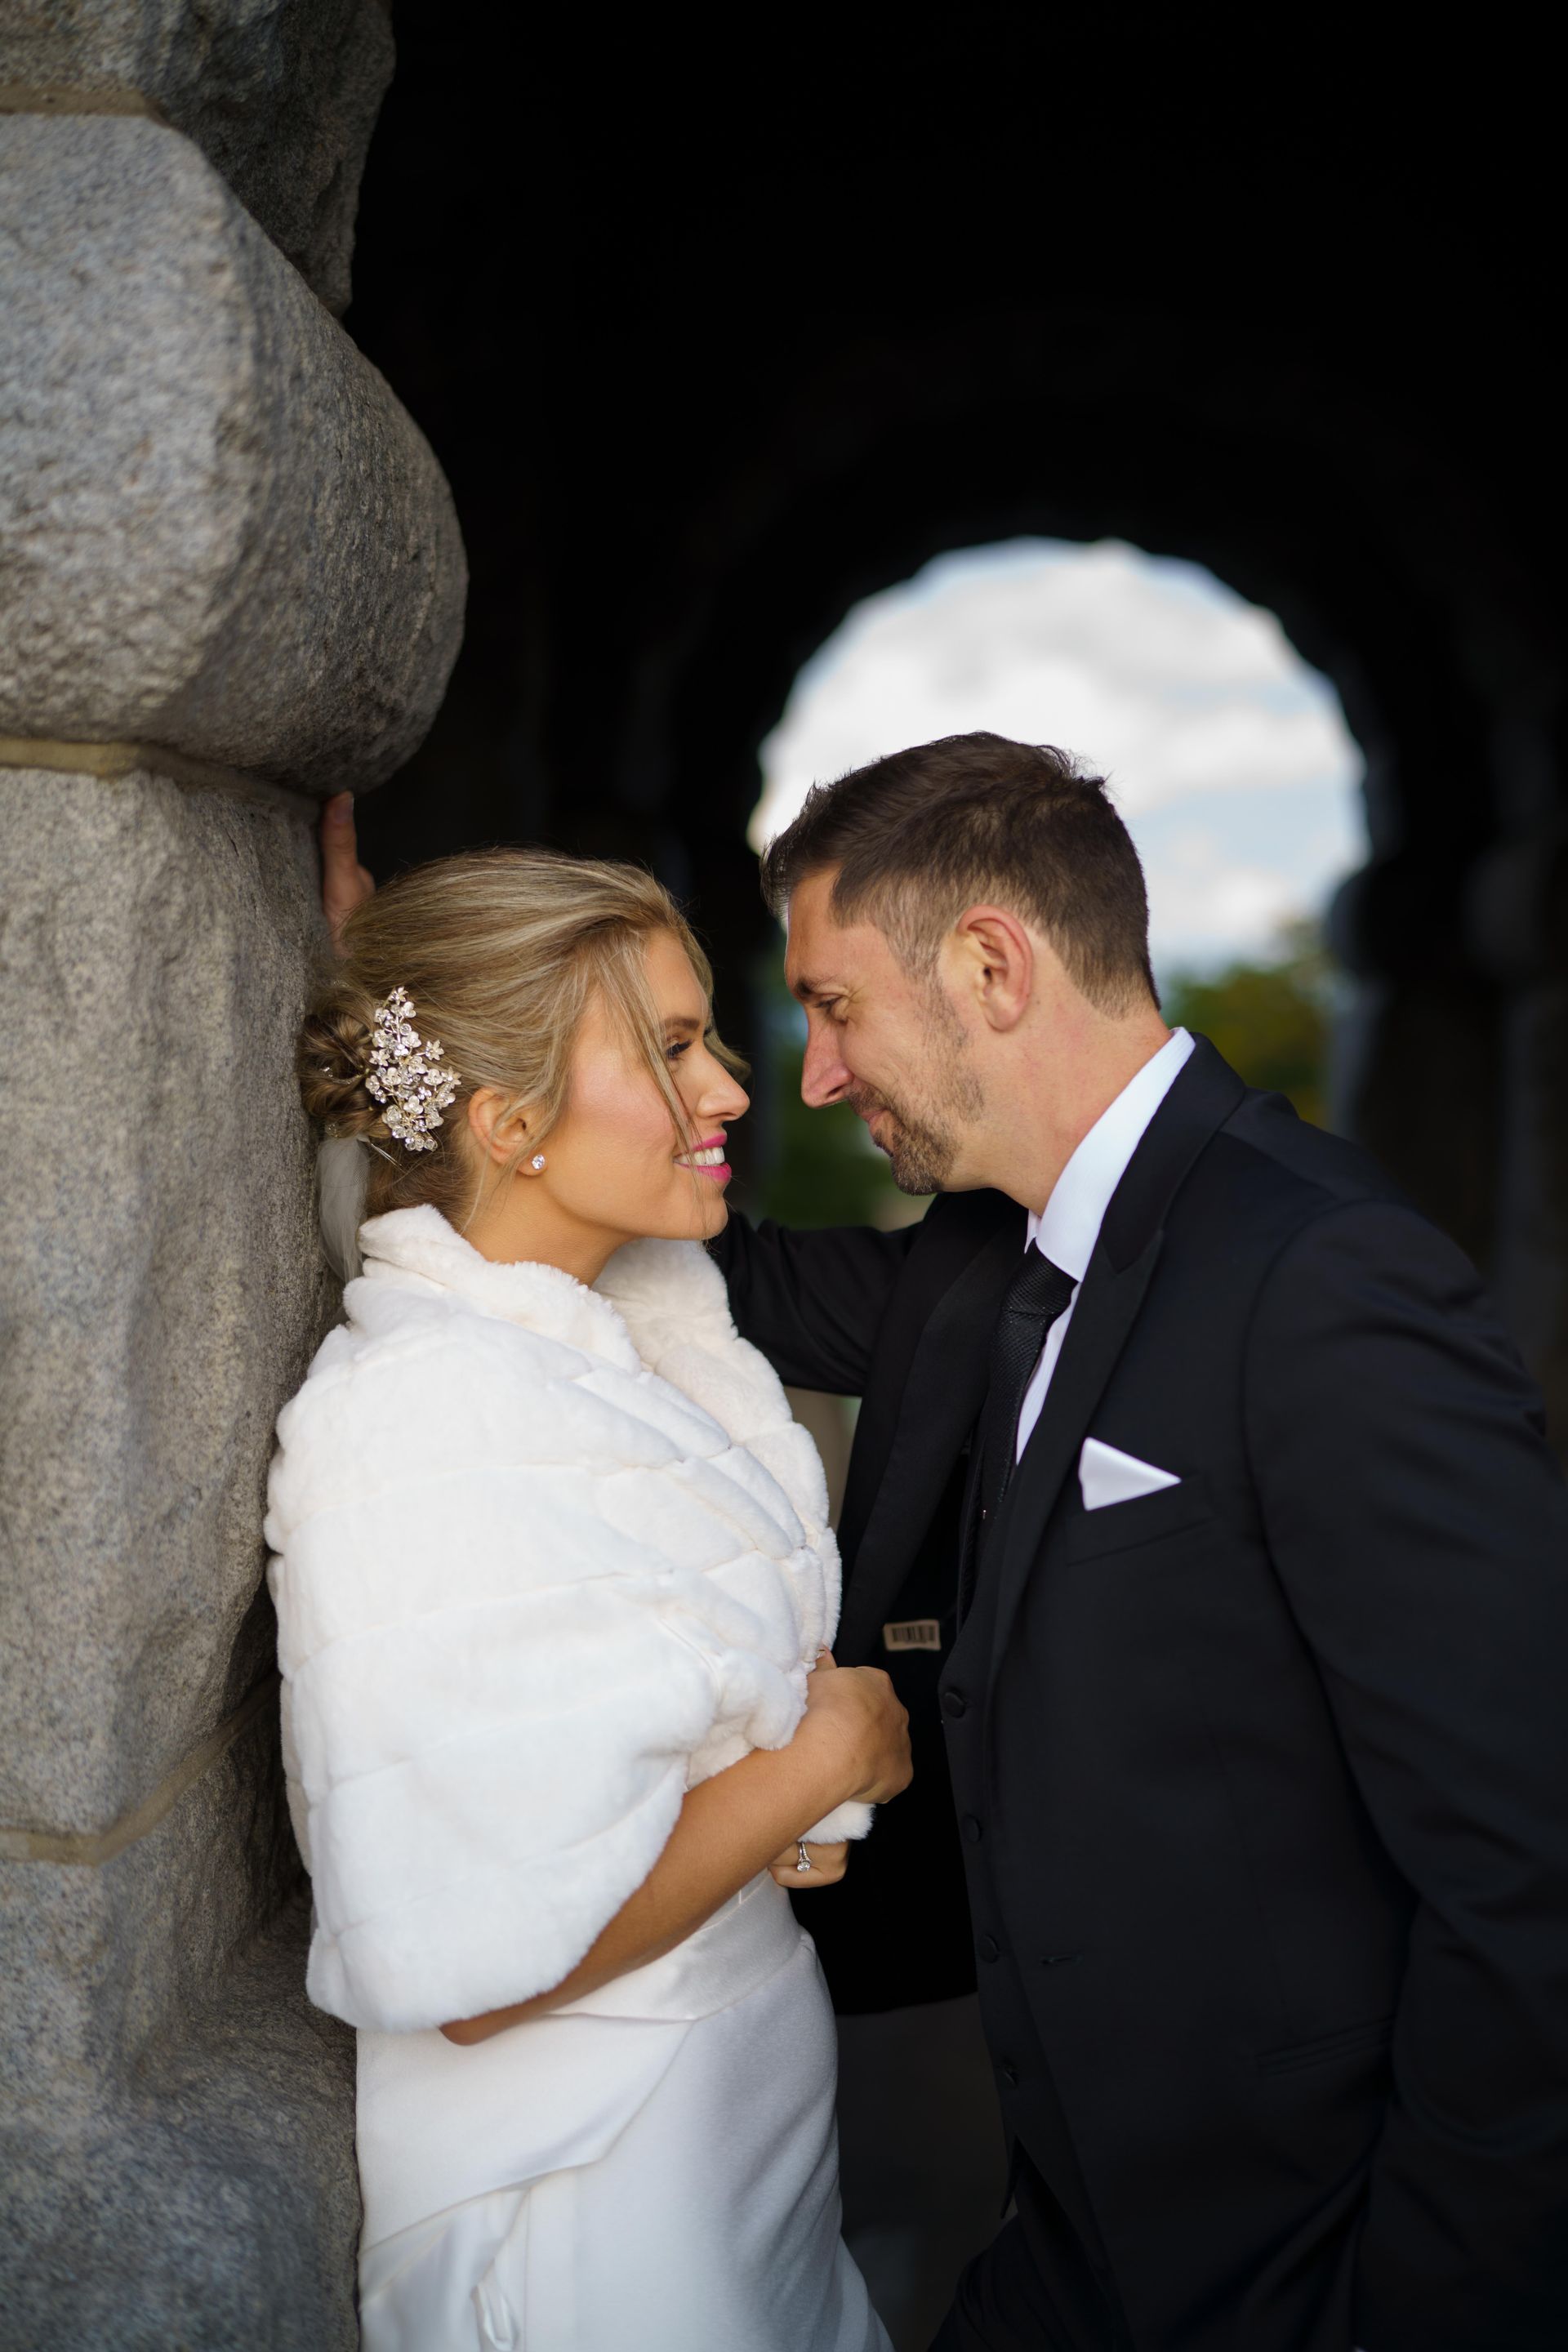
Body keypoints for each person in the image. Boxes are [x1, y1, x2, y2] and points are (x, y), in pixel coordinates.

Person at [318, 731, 1568, 2352]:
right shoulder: (977, 1262)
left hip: (1288, 2257)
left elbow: (1527, 1867)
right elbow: (623, 1233)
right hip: (1060, 2240)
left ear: (990, 966)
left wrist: (1426, 2307)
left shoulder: (1329, 1284)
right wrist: (415, 1035)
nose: (812, 1074)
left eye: (835, 1007)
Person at [270, 845, 910, 2351]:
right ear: (507, 1123)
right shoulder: (417, 1421)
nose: (731, 1089)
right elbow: (474, 1969)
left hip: (732, 2132)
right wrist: (825, 1756)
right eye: (671, 1048)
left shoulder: (610, 1347)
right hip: (601, 2192)